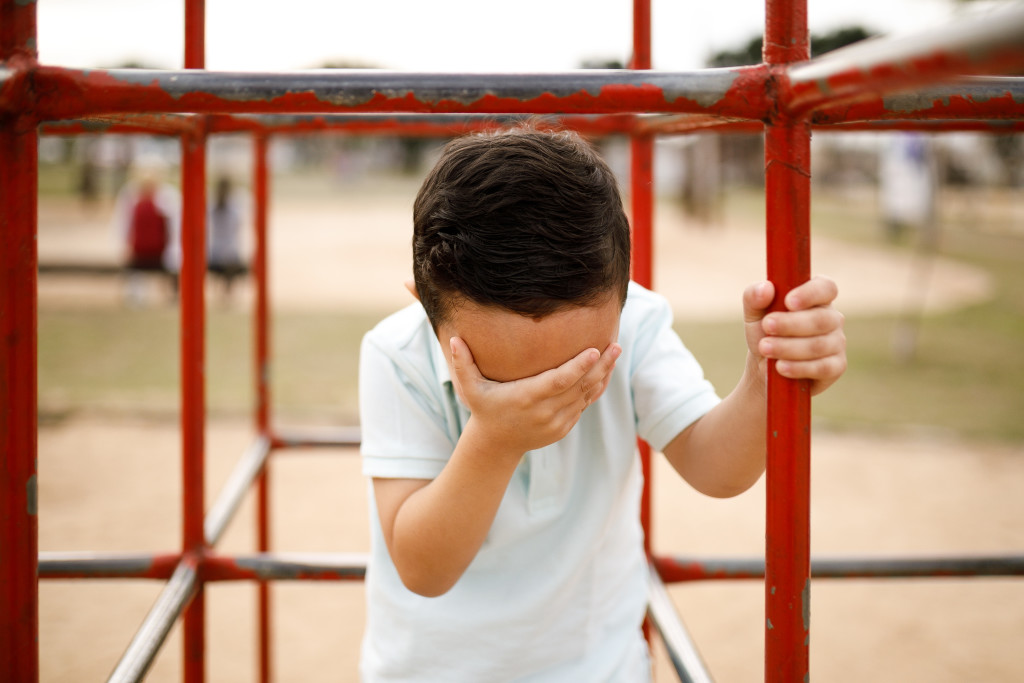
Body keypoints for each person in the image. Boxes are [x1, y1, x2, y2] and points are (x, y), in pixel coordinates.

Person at [358, 125, 846, 681]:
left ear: (623, 291)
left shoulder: (635, 325)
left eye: (580, 366)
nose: (546, 391)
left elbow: (717, 466)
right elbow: (423, 568)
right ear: (426, 307)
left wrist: (766, 380)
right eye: (502, 378)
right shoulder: (396, 356)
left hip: (599, 667)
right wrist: (496, 437)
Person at [112, 166, 181, 306]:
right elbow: (122, 224)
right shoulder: (130, 195)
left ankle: (173, 295)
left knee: (175, 265)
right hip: (140, 251)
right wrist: (125, 247)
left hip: (160, 251)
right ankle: (135, 296)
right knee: (134, 273)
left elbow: (175, 228)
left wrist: (174, 254)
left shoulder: (167, 197)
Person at [207, 175, 247, 300]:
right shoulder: (235, 205)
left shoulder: (212, 203)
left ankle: (220, 289)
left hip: (214, 250)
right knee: (231, 259)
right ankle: (227, 289)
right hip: (230, 250)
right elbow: (238, 224)